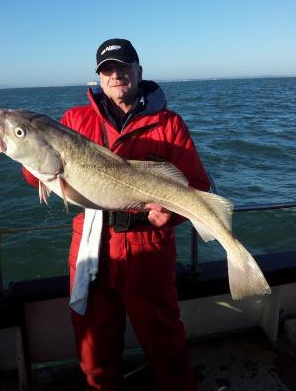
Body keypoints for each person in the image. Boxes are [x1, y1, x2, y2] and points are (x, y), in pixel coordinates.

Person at [23, 38, 210, 391]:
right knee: (94, 348)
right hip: (90, 244)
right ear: (99, 77)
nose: (116, 75)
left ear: (139, 71)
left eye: (124, 67)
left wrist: (170, 217)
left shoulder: (168, 123)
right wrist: (27, 155)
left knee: (165, 343)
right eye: (107, 69)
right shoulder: (74, 119)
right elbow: (39, 174)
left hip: (147, 247)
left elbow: (197, 186)